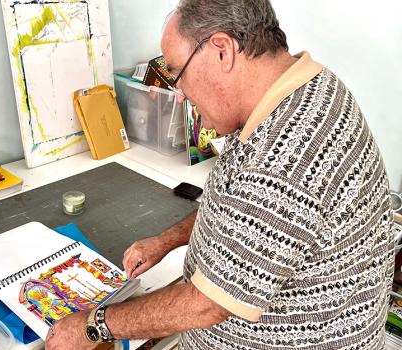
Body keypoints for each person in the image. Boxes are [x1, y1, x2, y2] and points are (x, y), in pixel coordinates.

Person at [45, 1, 394, 349]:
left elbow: (206, 305)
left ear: (222, 50)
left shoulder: (284, 156)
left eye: (177, 73)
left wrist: (92, 326)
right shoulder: (300, 89)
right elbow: (239, 211)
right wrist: (167, 240)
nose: (179, 92)